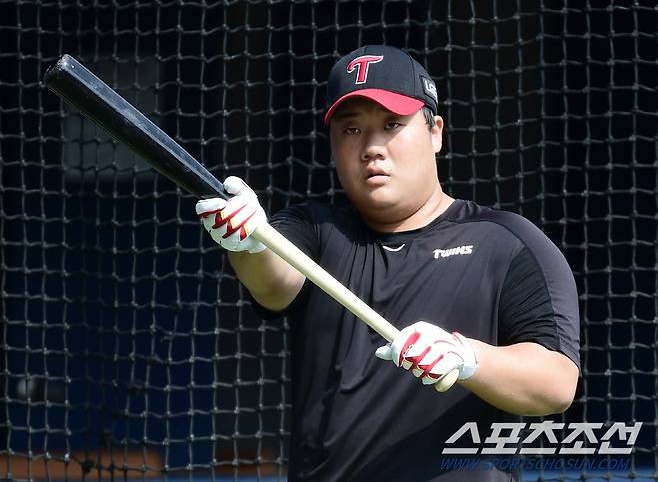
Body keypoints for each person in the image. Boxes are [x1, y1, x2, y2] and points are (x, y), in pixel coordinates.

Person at [196, 45, 580, 481]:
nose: (372, 148)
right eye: (353, 129)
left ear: (435, 131)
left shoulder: (507, 242)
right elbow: (273, 277)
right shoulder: (317, 231)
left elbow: (557, 382)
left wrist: (468, 358)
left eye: (392, 124)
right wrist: (247, 241)